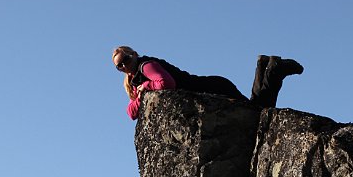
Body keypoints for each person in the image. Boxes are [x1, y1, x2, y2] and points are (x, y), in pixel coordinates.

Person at [112, 46, 304, 120]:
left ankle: (274, 69)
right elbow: (131, 113)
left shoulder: (146, 67)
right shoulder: (133, 79)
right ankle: (266, 67)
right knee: (257, 110)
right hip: (211, 91)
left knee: (258, 114)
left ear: (134, 54)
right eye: (119, 66)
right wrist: (140, 94)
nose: (124, 66)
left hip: (213, 89)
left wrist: (146, 87)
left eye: (126, 60)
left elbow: (166, 83)